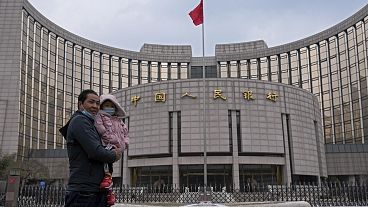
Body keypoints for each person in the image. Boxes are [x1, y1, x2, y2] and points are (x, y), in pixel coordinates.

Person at [59, 89, 122, 207]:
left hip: (93, 189)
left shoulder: (91, 123)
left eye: (98, 103)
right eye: (91, 102)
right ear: (80, 104)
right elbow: (95, 151)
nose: (95, 106)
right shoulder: (80, 121)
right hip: (84, 192)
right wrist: (115, 154)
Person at [94, 94, 129, 206]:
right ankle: (107, 181)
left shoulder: (119, 120)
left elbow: (125, 133)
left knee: (110, 167)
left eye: (111, 105)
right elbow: (101, 130)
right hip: (106, 144)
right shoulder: (100, 116)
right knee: (106, 165)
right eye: (106, 105)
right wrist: (112, 140)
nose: (109, 107)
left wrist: (124, 144)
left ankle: (109, 192)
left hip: (117, 147)